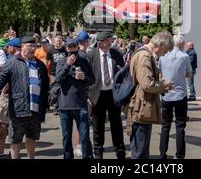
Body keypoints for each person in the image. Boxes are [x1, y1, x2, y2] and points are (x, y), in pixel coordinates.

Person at [0, 36, 50, 159]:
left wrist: (46, 104)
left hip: (35, 108)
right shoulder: (12, 62)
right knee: (16, 139)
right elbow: (2, 80)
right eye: (29, 46)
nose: (32, 49)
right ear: (22, 47)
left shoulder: (40, 65)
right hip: (19, 107)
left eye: (34, 46)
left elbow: (45, 86)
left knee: (32, 137)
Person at [128, 32, 174, 159]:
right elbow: (147, 84)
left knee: (141, 149)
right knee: (140, 151)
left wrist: (162, 86)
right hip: (141, 108)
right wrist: (163, 84)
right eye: (165, 50)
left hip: (142, 107)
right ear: (160, 45)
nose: (164, 54)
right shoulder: (144, 56)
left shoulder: (143, 54)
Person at [87, 31, 126, 159]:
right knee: (98, 126)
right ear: (100, 43)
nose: (110, 43)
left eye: (110, 41)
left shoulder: (116, 54)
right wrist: (88, 96)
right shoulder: (91, 55)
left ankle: (120, 152)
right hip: (97, 95)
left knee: (117, 124)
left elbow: (122, 74)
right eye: (107, 41)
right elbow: (87, 77)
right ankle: (98, 153)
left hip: (113, 94)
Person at [56, 38, 95, 159]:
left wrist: (84, 77)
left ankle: (88, 156)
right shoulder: (62, 61)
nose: (72, 49)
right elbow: (58, 79)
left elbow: (92, 80)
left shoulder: (84, 61)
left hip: (81, 104)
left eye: (74, 47)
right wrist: (68, 65)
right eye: (69, 47)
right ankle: (68, 157)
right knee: (66, 136)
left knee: (84, 136)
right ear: (66, 48)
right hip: (65, 105)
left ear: (77, 47)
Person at [158, 35, 192, 159]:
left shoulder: (163, 56)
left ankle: (162, 153)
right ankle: (180, 155)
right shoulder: (185, 56)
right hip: (180, 94)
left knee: (165, 126)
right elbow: (189, 73)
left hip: (166, 93)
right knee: (180, 126)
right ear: (182, 44)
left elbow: (159, 71)